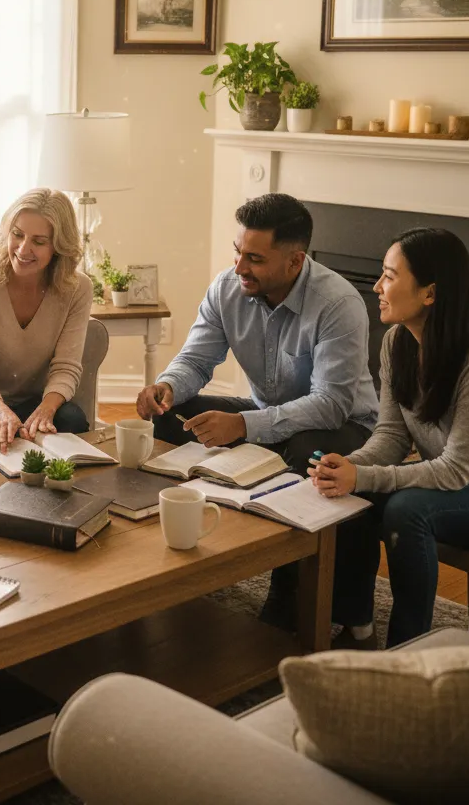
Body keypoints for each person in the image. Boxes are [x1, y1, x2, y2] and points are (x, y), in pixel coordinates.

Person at [136, 193, 379, 626]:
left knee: (307, 450)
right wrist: (168, 386)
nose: (239, 267)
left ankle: (287, 594)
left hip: (343, 426)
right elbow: (195, 360)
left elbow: (331, 404)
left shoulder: (338, 304)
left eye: (254, 258)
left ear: (294, 260)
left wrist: (244, 426)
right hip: (270, 412)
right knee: (175, 415)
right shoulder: (227, 288)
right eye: (237, 252)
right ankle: (186, 554)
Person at [311, 228, 469, 647]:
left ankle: (407, 649)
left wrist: (364, 477)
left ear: (430, 293)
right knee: (351, 495)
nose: (378, 287)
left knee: (406, 509)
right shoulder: (397, 342)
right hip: (466, 486)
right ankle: (356, 626)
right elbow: (390, 437)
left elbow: (456, 470)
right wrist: (347, 466)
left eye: (389, 276)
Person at [0, 188, 92, 452]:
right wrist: (1, 412)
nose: (23, 249)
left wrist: (46, 410)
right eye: (17, 234)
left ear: (58, 246)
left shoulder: (78, 288)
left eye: (39, 241)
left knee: (73, 422)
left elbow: (66, 368)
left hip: (32, 400)